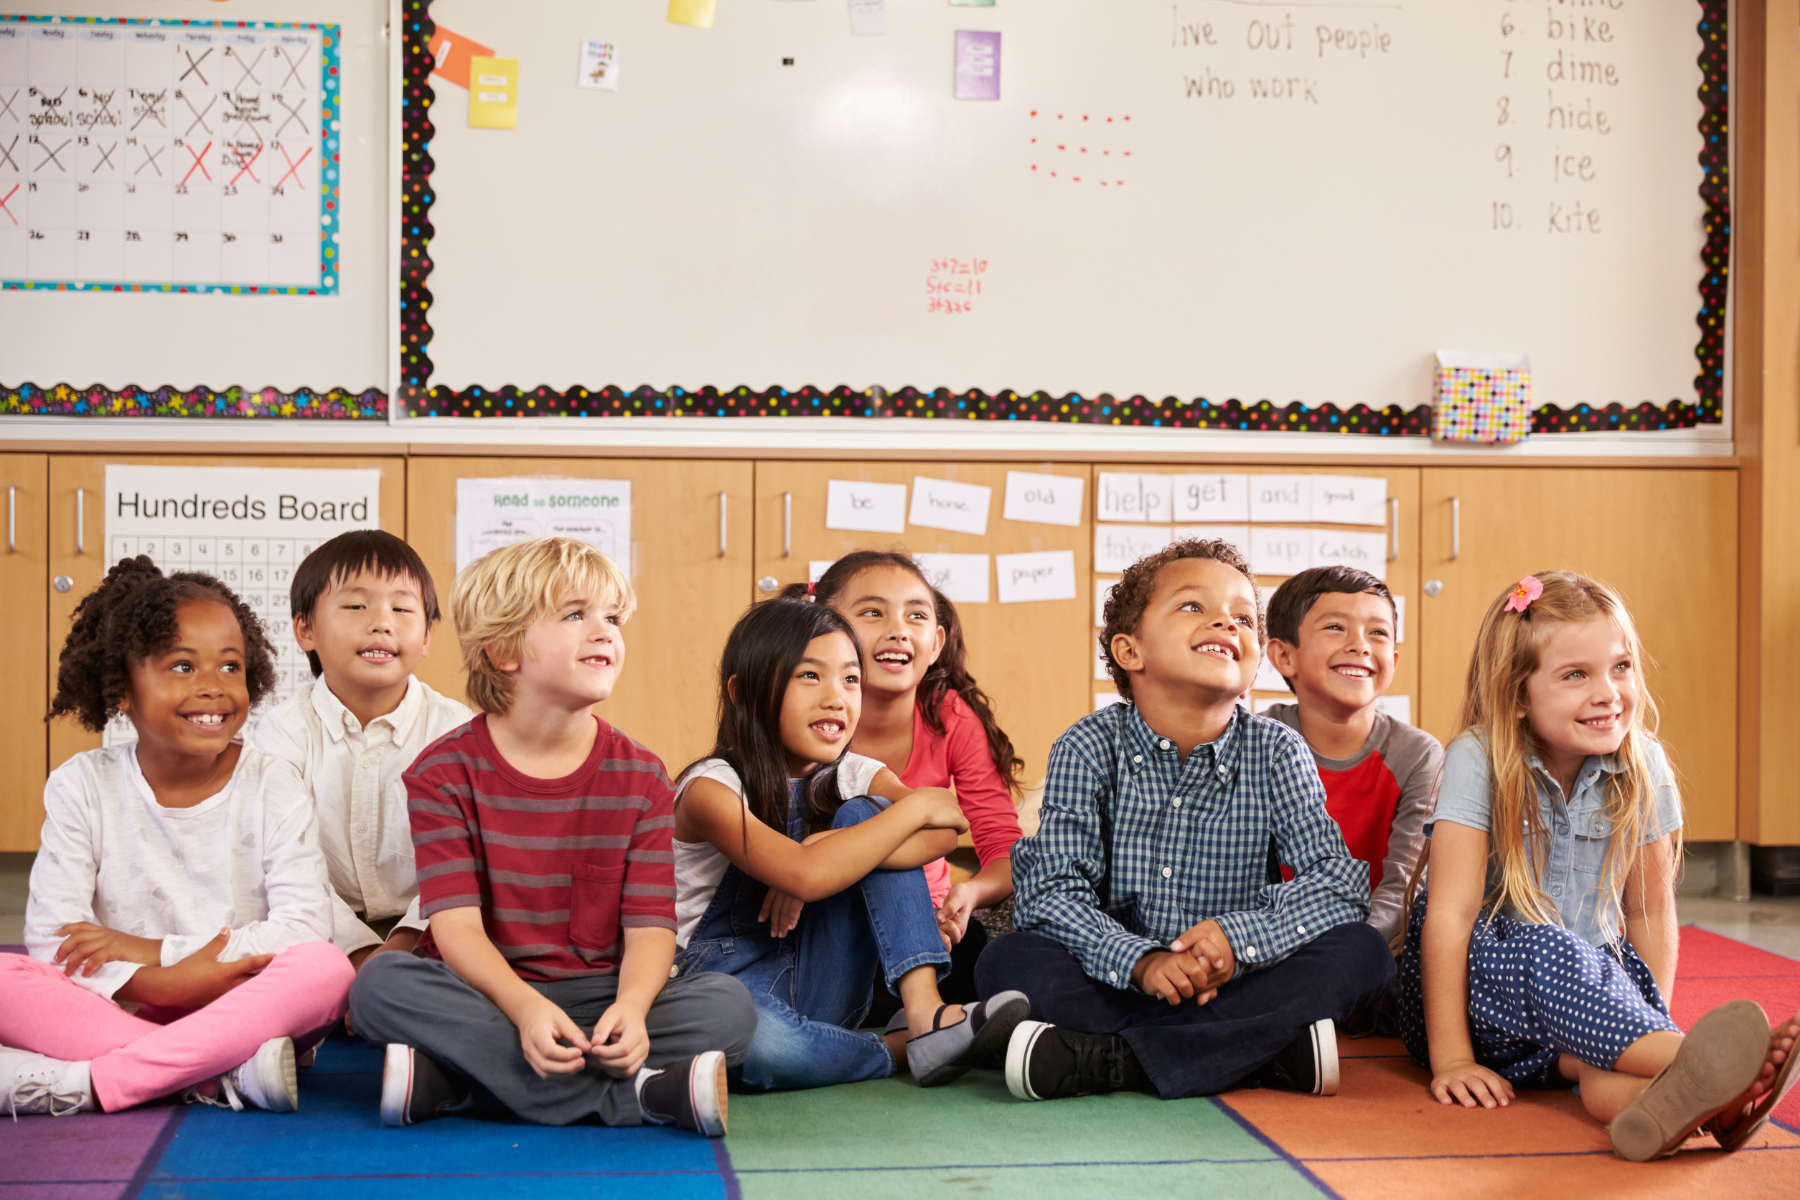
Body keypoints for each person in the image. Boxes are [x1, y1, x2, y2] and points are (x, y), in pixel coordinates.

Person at [347, 537, 757, 1136]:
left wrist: (635, 1010)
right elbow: (454, 927)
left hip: (599, 998)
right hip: (488, 995)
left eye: (613, 617)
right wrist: (525, 1008)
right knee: (379, 985)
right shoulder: (440, 774)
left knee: (731, 1007)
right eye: (575, 614)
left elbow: (651, 928)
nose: (605, 632)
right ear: (505, 650)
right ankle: (637, 1098)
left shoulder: (642, 777)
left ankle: (460, 1082)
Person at [1400, 571, 1799, 1161]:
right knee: (1550, 950)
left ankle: (1696, 1106)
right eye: (1574, 675)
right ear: (1517, 696)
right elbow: (1453, 914)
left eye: (1621, 667)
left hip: (1588, 1002)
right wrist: (1452, 1057)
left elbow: (1651, 909)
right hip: (1481, 998)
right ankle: (1699, 1059)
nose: (1608, 692)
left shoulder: (1644, 762)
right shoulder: (1478, 758)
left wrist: (1647, 1018)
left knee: (1597, 1057)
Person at [978, 539, 1394, 1103]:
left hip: (1234, 984)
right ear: (1130, 651)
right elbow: (1050, 893)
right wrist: (1141, 961)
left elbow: (1338, 886)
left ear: (1254, 665)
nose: (1227, 621)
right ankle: (1256, 1055)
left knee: (1361, 952)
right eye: (1195, 607)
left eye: (1244, 617)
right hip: (1115, 979)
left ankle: (1111, 1062)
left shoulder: (1278, 751)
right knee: (1008, 959)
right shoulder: (1088, 745)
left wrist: (1238, 939)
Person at [0, 557, 352, 1117]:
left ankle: (90, 1082)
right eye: (182, 667)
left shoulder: (273, 783)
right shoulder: (81, 784)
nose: (213, 687)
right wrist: (158, 986)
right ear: (121, 689)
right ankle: (217, 1074)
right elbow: (51, 938)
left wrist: (162, 957)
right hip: (125, 1006)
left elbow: (303, 927)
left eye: (230, 666)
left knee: (327, 969)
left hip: (241, 1003)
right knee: (4, 974)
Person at [673, 597, 1030, 1091]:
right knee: (764, 1045)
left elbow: (947, 825)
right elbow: (805, 873)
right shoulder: (710, 789)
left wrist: (831, 841)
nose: (836, 698)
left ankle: (925, 1011)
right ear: (743, 692)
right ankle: (901, 1049)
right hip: (724, 988)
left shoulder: (851, 773)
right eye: (809, 676)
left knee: (871, 813)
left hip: (821, 977)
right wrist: (818, 860)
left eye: (850, 679)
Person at [791, 550, 1025, 1006]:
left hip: (926, 919)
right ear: (825, 628)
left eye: (915, 615)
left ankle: (921, 1018)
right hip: (823, 916)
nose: (897, 629)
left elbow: (1003, 846)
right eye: (873, 612)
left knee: (1005, 960)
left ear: (936, 643)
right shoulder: (804, 713)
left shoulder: (950, 716)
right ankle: (908, 1032)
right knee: (866, 813)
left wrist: (970, 892)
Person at [255, 530, 473, 972]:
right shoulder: (281, 734)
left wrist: (404, 945)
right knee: (285, 978)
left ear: (427, 636)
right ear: (305, 629)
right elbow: (286, 865)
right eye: (356, 605)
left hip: (433, 928)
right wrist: (356, 954)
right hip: (315, 926)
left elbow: (465, 862)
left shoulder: (457, 730)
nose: (381, 621)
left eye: (402, 608)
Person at [1262, 566, 1442, 944]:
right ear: (1283, 655)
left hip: (1369, 951)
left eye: (1377, 632)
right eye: (1335, 628)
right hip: (1264, 945)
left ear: (1393, 660)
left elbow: (1403, 889)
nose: (1360, 645)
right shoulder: (1253, 743)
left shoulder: (1418, 755)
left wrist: (1343, 955)